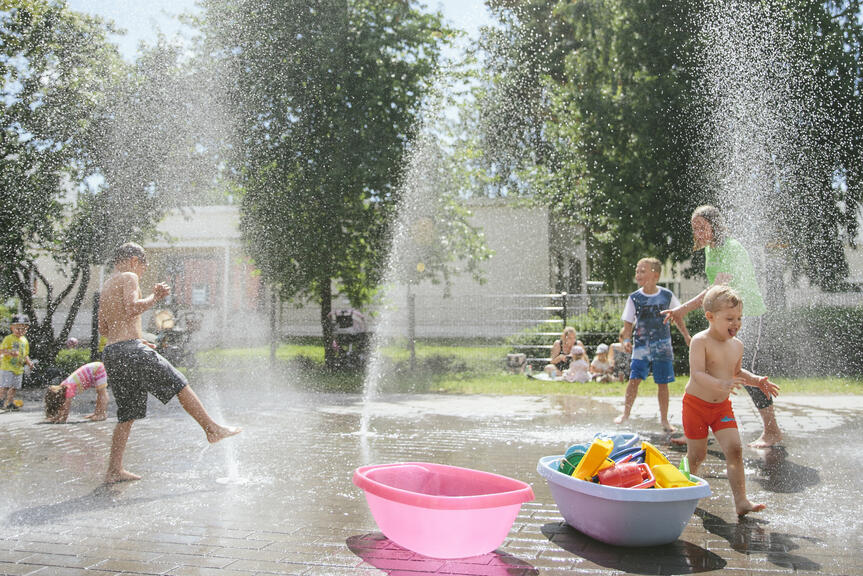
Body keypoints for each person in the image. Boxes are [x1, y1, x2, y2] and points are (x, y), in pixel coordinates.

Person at [98, 242, 240, 483]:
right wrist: (155, 297)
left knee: (127, 414)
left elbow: (104, 328)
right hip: (131, 350)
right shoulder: (129, 276)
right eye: (144, 267)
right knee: (179, 382)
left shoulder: (106, 286)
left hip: (113, 352)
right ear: (134, 260)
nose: (142, 272)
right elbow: (132, 308)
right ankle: (211, 429)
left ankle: (114, 469)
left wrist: (138, 339)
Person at [662, 205, 782, 448]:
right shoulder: (711, 250)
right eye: (694, 228)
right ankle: (698, 429)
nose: (697, 232)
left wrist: (681, 309)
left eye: (702, 227)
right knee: (707, 369)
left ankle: (772, 431)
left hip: (746, 315)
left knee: (745, 370)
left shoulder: (731, 249)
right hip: (725, 317)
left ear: (714, 226)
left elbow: (713, 292)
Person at [683, 285, 779, 516]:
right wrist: (720, 384)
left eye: (739, 318)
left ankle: (741, 501)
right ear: (710, 317)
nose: (736, 323)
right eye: (729, 318)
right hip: (695, 406)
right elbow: (697, 373)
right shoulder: (700, 341)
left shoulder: (737, 345)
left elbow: (737, 373)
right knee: (697, 456)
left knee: (735, 450)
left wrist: (756, 380)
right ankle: (683, 490)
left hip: (721, 408)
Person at [615, 258, 691, 432]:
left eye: (642, 271)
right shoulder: (634, 298)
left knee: (662, 383)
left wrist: (686, 336)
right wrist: (626, 340)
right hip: (641, 348)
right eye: (637, 271)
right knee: (634, 380)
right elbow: (628, 324)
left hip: (662, 347)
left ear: (655, 275)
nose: (638, 274)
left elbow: (677, 316)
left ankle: (664, 420)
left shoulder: (667, 296)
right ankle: (625, 414)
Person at [44, 362, 110, 423]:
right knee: (99, 392)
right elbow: (63, 406)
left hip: (97, 369)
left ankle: (101, 414)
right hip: (94, 368)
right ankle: (97, 413)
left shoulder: (68, 388)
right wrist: (57, 417)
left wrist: (63, 419)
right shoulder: (63, 387)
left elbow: (66, 407)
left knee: (101, 393)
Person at [1, 314, 35, 411]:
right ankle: (1, 401)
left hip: (18, 369)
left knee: (14, 387)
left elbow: (25, 355)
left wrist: (29, 363)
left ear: (26, 328)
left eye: (23, 329)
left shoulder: (24, 340)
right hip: (7, 367)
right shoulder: (8, 338)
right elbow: (1, 350)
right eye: (17, 329)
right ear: (12, 328)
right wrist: (10, 352)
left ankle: (10, 403)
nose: (20, 331)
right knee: (5, 386)